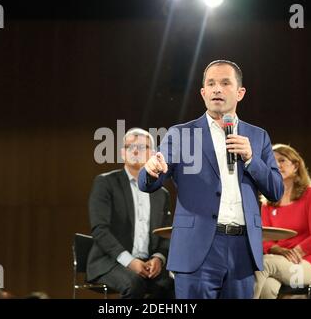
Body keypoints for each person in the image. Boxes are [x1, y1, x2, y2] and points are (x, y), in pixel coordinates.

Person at [138, 60, 284, 299]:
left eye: (225, 83)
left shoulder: (258, 137)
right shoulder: (182, 134)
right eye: (211, 84)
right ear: (203, 93)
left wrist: (250, 159)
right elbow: (149, 183)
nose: (217, 89)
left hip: (242, 250)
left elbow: (276, 191)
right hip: (197, 248)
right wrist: (151, 169)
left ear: (240, 92)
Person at [87, 128, 174, 299]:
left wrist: (158, 258)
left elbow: (166, 233)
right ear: (122, 153)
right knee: (135, 284)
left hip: (148, 263)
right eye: (129, 147)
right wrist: (130, 261)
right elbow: (99, 229)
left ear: (153, 154)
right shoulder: (105, 183)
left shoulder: (161, 193)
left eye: (142, 147)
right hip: (110, 261)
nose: (135, 151)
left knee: (172, 285)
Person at [253, 144, 311, 299]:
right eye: (272, 162)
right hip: (277, 262)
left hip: (306, 266)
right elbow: (264, 238)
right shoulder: (267, 202)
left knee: (264, 263)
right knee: (266, 288)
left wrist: (294, 253)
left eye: (282, 160)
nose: (277, 165)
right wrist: (278, 250)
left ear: (295, 166)